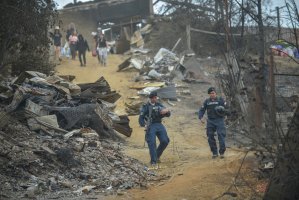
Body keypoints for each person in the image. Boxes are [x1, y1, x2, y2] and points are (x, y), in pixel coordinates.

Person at [138, 91, 171, 167]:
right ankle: (153, 161)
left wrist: (166, 111)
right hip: (151, 125)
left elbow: (168, 114)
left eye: (156, 97)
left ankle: (156, 156)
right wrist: (144, 125)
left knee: (165, 141)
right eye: (154, 98)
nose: (155, 99)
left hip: (159, 124)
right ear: (151, 98)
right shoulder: (145, 106)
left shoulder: (159, 105)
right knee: (152, 143)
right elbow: (141, 118)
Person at [198, 87, 228, 159]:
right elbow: (202, 109)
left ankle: (222, 153)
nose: (212, 94)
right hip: (210, 121)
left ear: (216, 93)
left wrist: (226, 114)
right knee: (210, 136)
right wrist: (201, 117)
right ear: (209, 94)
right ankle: (214, 152)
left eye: (213, 93)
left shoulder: (220, 100)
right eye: (211, 93)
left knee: (221, 135)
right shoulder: (207, 101)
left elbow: (226, 108)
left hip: (219, 120)